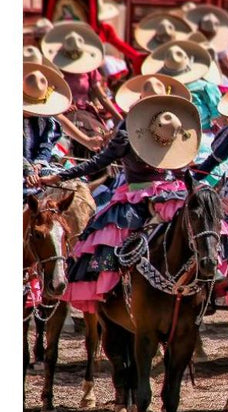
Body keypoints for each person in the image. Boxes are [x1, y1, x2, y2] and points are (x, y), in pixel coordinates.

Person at [30, 94, 202, 313]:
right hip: (135, 196)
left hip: (169, 194)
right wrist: (59, 177)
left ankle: (203, 280)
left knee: (196, 224)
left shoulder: (171, 132)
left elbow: (179, 171)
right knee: (115, 232)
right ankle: (113, 289)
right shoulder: (125, 136)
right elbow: (97, 163)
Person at [41, 22, 124, 124]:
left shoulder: (88, 69)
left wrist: (120, 119)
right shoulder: (55, 69)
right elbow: (48, 94)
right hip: (62, 114)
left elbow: (102, 96)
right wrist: (62, 107)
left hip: (87, 112)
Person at [23, 64, 72, 194]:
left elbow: (46, 144)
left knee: (70, 184)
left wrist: (38, 165)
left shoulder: (46, 121)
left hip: (37, 166)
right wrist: (28, 169)